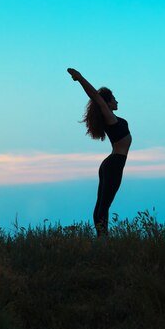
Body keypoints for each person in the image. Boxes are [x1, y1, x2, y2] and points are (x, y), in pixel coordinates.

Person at [67, 68, 132, 236]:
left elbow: (98, 99)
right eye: (114, 99)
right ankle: (103, 240)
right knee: (104, 205)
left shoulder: (114, 119)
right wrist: (80, 78)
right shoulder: (110, 117)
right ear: (108, 103)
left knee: (101, 205)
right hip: (114, 164)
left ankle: (101, 239)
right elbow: (95, 97)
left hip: (110, 163)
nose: (117, 101)